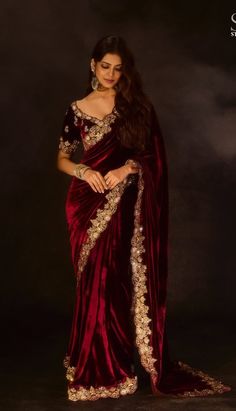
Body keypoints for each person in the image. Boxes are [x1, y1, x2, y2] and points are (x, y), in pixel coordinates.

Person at [57, 35, 231, 401]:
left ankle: (113, 365)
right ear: (93, 65)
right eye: (105, 66)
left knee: (113, 280)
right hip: (84, 204)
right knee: (90, 283)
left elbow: (154, 157)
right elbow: (62, 158)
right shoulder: (76, 109)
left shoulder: (135, 106)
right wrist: (83, 172)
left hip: (122, 201)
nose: (111, 74)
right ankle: (90, 359)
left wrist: (125, 170)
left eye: (118, 68)